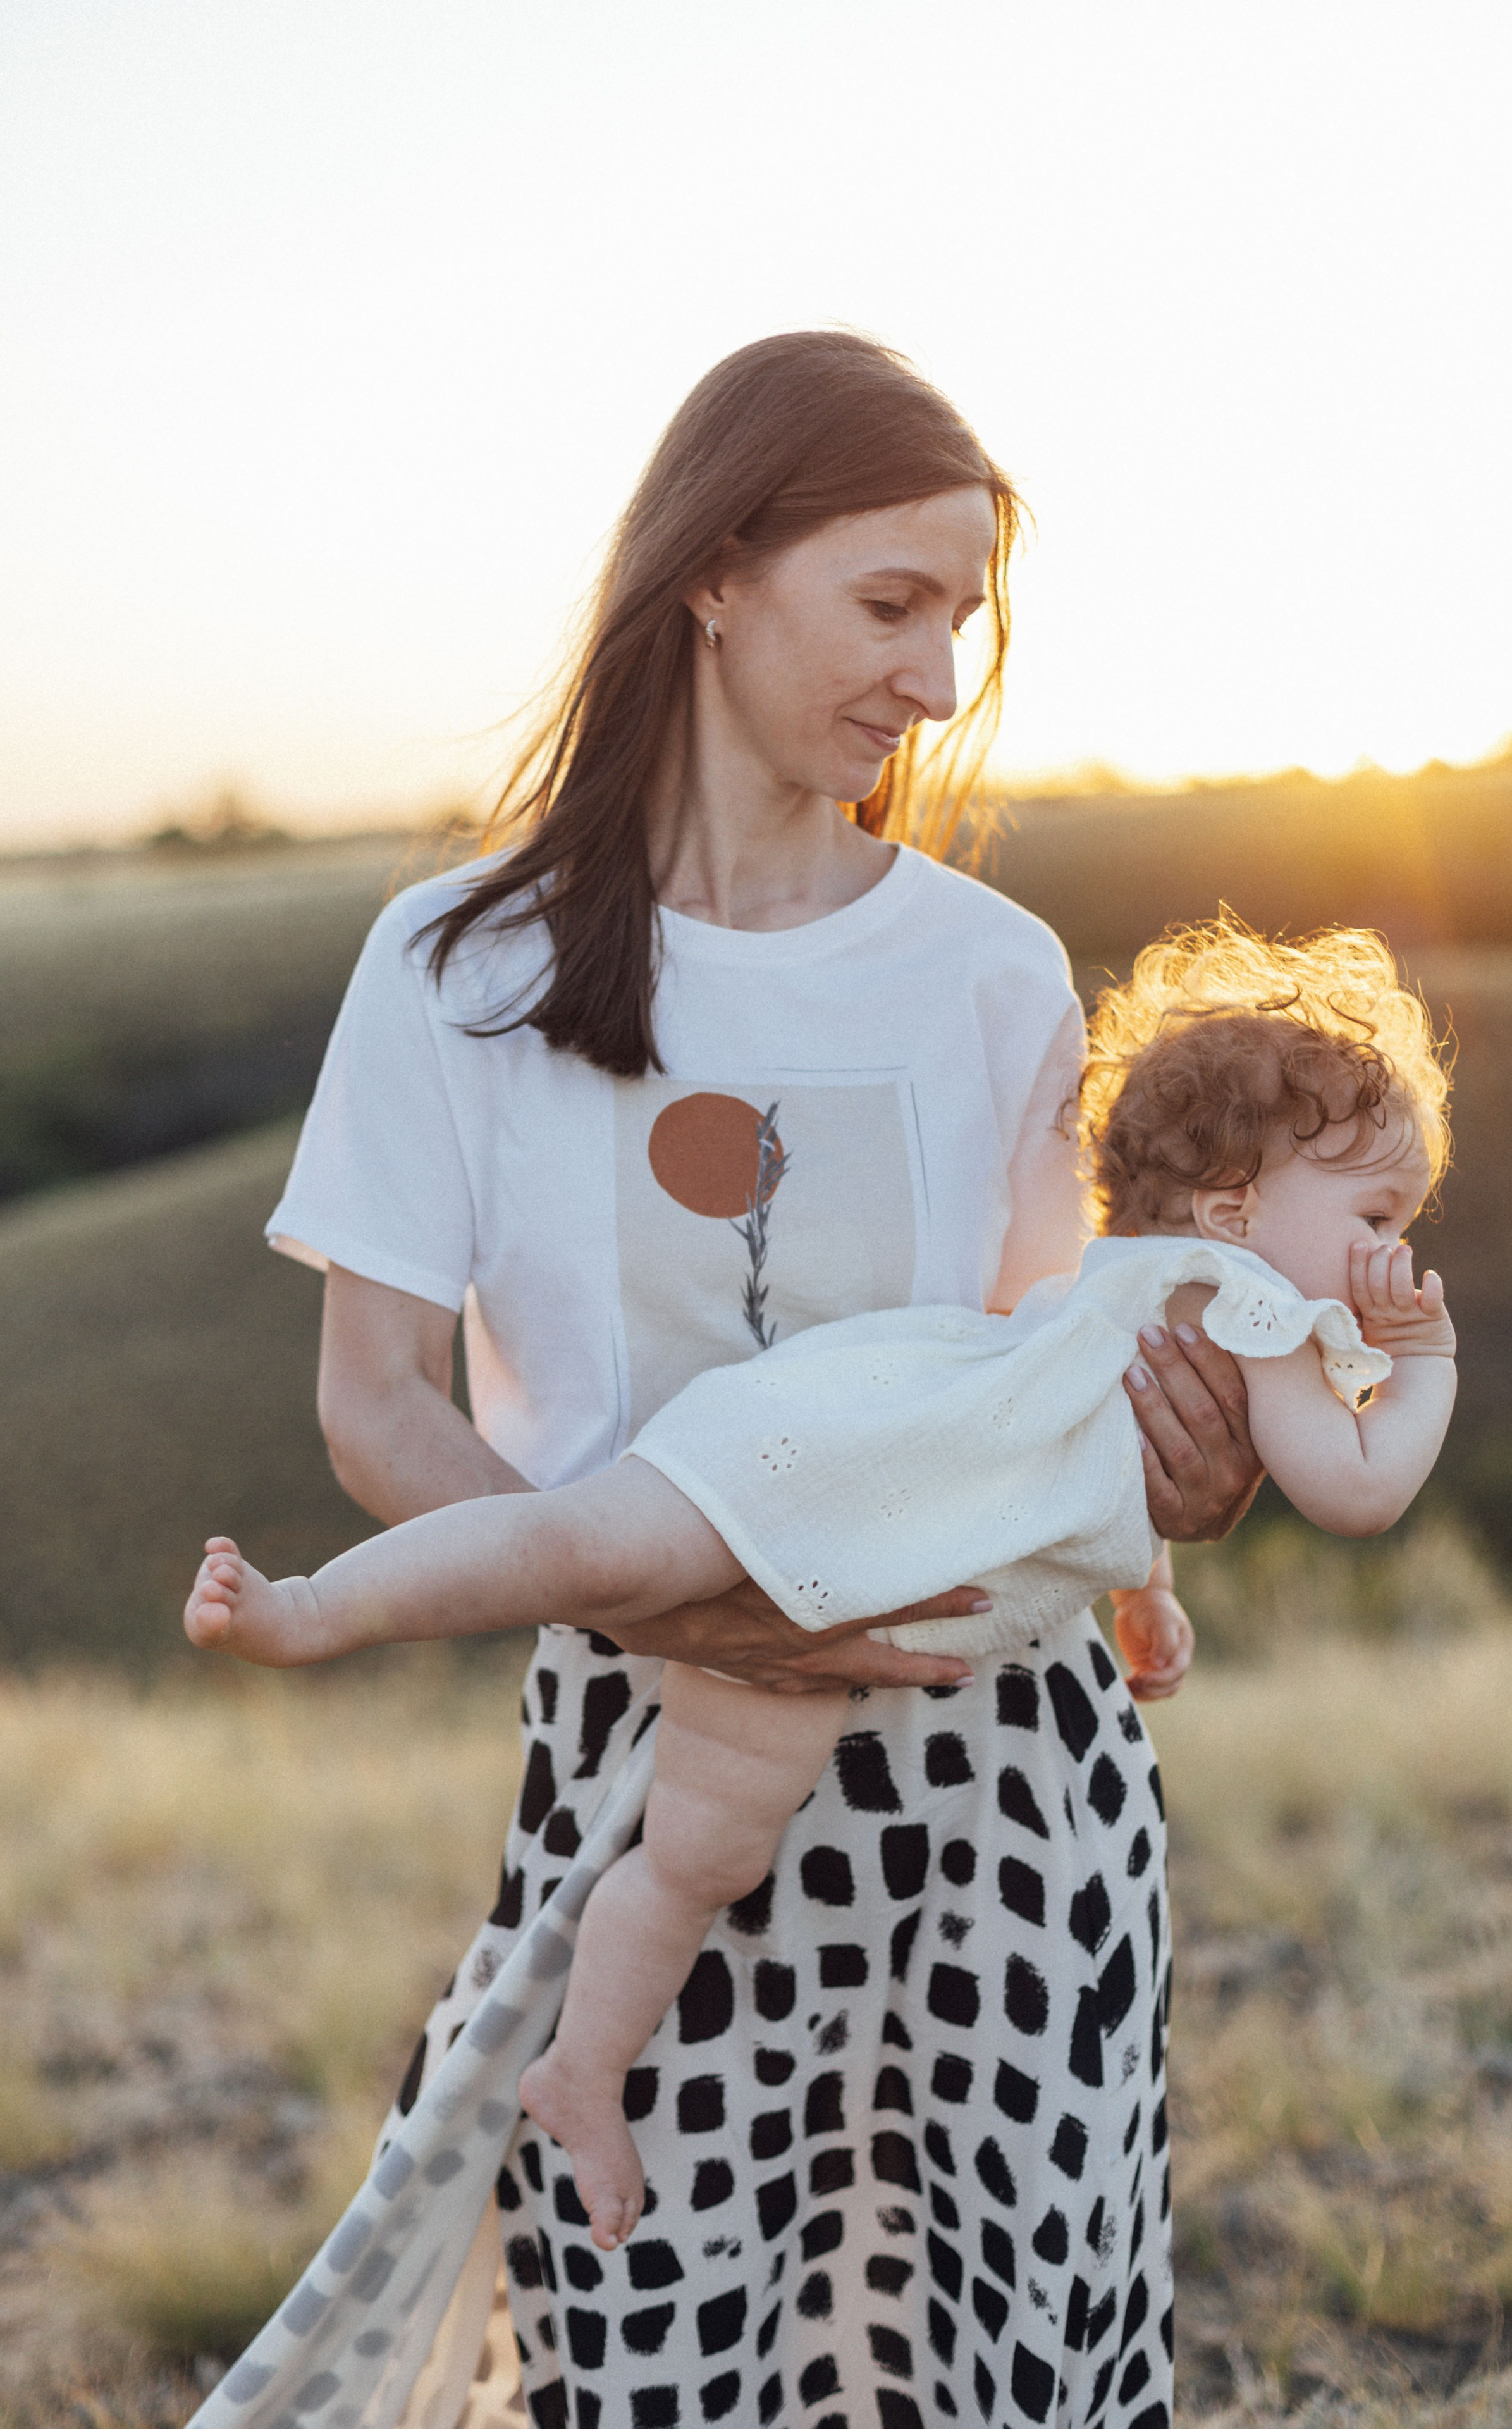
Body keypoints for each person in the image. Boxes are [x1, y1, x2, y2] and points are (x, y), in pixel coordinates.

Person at [233, 333, 1264, 2429]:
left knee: (1019, 2369)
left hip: (1007, 1781)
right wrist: (682, 1601)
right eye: (893, 604)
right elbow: (375, 1410)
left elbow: (1043, 1392)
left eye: (964, 622)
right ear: (714, 568)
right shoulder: (460, 970)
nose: (938, 678)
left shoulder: (986, 975)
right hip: (652, 1776)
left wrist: (1194, 1478)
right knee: (654, 2358)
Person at [186, 917, 1456, 2267]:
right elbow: (1357, 1491)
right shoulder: (1265, 1316)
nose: (1394, 1252)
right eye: (1375, 1216)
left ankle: (581, 2075)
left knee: (687, 1842)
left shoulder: (1145, 1285)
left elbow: (1097, 1448)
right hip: (852, 1512)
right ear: (1233, 1211)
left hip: (869, 1601)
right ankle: (315, 1610)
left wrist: (1141, 1594)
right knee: (587, 1565)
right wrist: (1418, 1357)